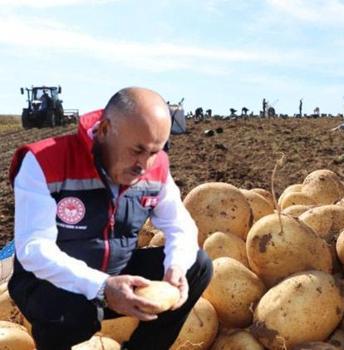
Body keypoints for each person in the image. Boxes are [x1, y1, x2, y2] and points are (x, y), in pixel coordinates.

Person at [8, 87, 212, 350]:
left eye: (154, 152)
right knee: (74, 312)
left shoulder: (155, 168)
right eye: (137, 150)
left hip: (116, 275)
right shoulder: (44, 162)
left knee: (199, 265)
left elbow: (180, 225)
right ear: (104, 130)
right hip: (47, 282)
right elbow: (34, 249)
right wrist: (102, 287)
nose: (144, 165)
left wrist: (176, 266)